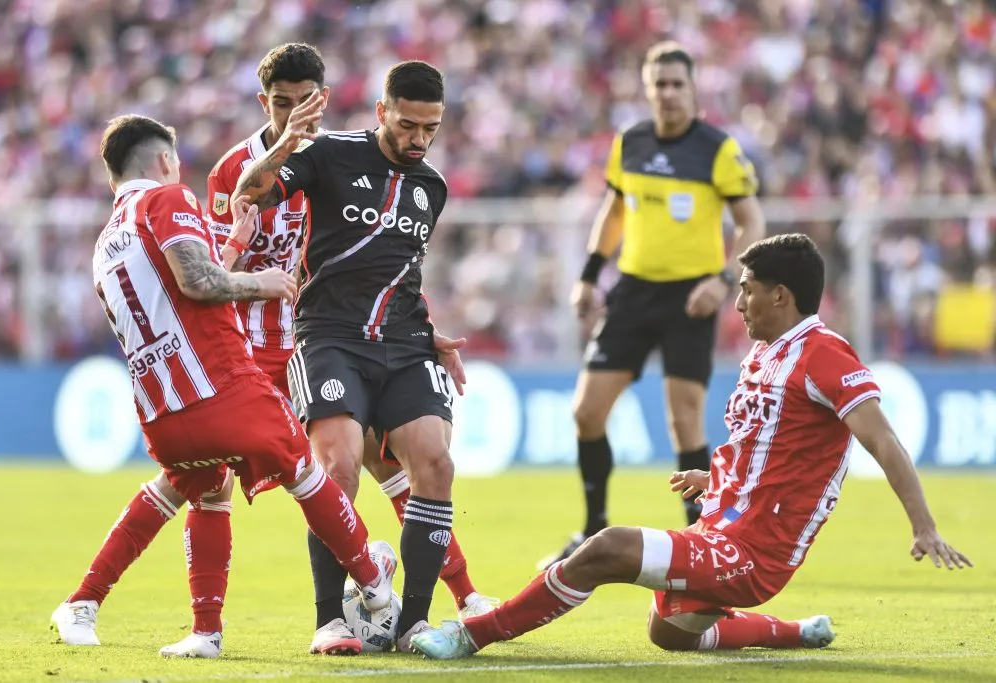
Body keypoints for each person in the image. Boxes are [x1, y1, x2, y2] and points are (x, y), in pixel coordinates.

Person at [49, 45, 491, 655]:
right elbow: (210, 262)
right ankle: (173, 615)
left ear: (324, 98)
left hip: (328, 333)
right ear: (265, 102)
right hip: (253, 344)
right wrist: (246, 248)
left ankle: (461, 594)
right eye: (281, 103)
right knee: (202, 482)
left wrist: (417, 326)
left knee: (385, 462)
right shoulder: (237, 169)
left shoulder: (341, 157)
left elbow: (383, 258)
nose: (292, 114)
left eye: (304, 102)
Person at [411, 233, 972, 659]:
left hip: (753, 555)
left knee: (606, 548)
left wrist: (923, 524)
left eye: (747, 292)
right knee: (671, 632)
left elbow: (883, 439)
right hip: (723, 525)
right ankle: (796, 631)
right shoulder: (767, 352)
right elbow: (770, 446)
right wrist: (719, 480)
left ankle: (471, 634)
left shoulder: (823, 354)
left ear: (781, 295)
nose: (740, 305)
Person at [51, 114, 395, 659]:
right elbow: (197, 281)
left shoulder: (108, 239)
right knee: (306, 472)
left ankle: (185, 626)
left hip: (163, 411)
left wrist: (234, 243)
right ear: (164, 161)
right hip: (221, 385)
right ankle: (375, 584)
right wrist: (261, 281)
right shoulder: (166, 199)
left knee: (205, 491)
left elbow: (178, 289)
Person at [208, 45, 495, 641]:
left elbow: (402, 271)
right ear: (381, 110)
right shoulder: (329, 153)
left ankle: (415, 622)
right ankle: (330, 621)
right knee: (337, 466)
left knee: (435, 464)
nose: (419, 139)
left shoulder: (432, 188)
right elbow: (250, 192)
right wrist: (287, 140)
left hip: (404, 340)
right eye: (407, 124)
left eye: (431, 128)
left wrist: (432, 332)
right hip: (331, 337)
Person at [540, 41, 767, 569]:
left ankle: (702, 545)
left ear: (693, 90)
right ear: (647, 90)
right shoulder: (631, 142)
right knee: (586, 412)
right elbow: (614, 211)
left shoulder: (717, 148)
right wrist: (590, 276)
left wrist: (724, 277)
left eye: (676, 84)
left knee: (685, 424)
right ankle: (593, 528)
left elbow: (752, 222)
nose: (667, 94)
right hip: (634, 293)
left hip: (691, 296)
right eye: (658, 85)